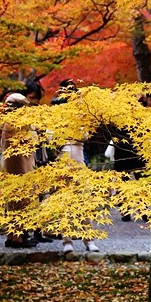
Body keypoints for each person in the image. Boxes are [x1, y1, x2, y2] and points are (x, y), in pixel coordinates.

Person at [50, 81, 99, 254]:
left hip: (78, 160)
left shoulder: (80, 116)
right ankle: (67, 241)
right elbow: (51, 140)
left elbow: (85, 136)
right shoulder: (53, 117)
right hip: (62, 161)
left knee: (84, 201)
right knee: (65, 202)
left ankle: (88, 240)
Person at [0, 93, 37, 248]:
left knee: (10, 201)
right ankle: (19, 237)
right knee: (21, 200)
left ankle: (11, 235)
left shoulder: (4, 124)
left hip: (8, 165)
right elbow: (33, 141)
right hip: (21, 165)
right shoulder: (20, 124)